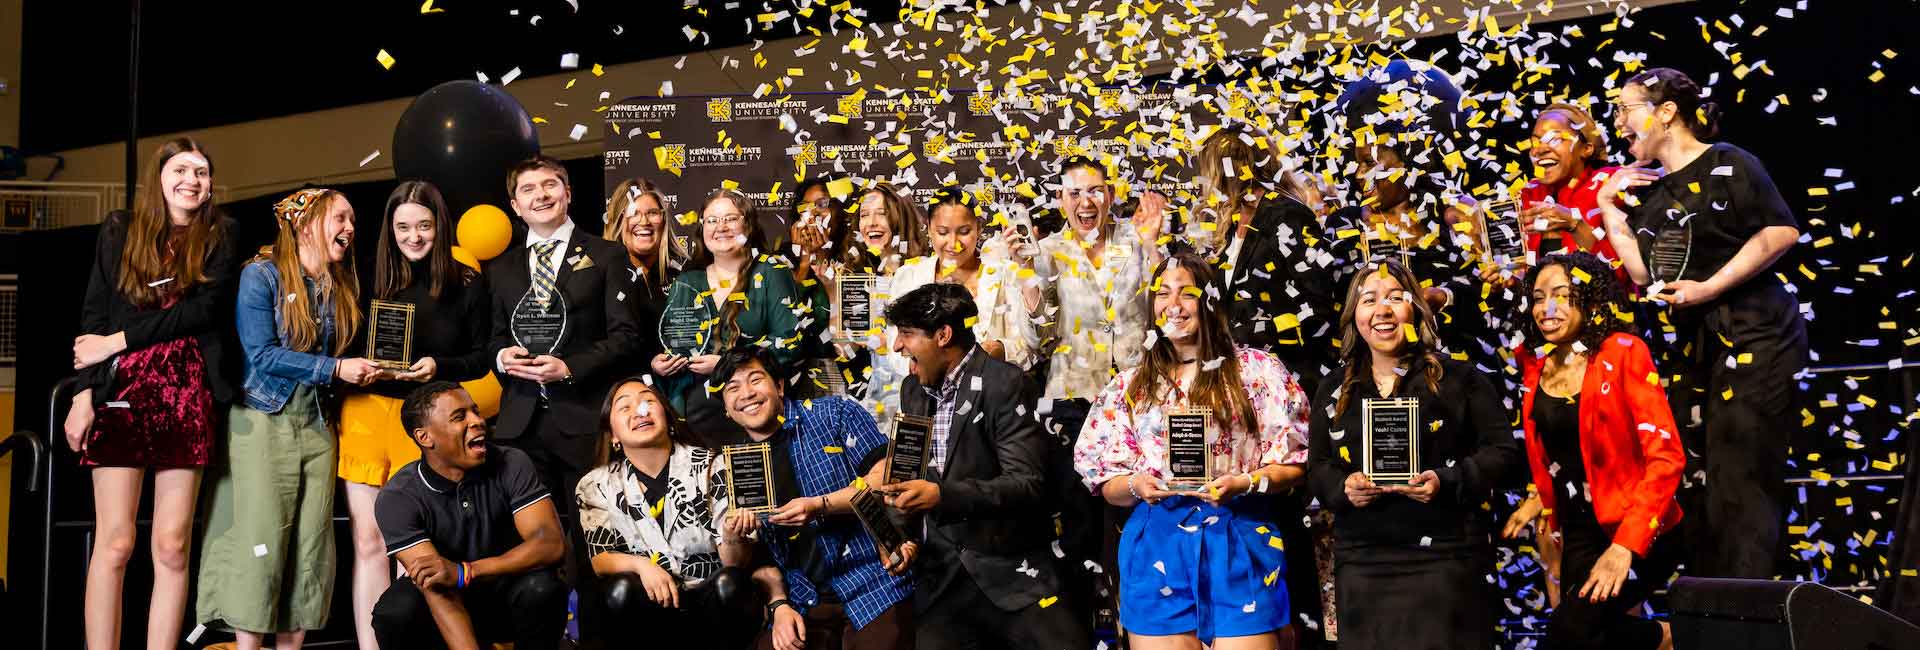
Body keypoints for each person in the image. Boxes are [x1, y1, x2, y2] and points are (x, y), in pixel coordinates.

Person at [1596, 67, 1807, 579]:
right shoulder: (1648, 191)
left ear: (1666, 112)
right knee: (1700, 474)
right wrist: (1607, 208)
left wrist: (1710, 288)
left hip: (1754, 334)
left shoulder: (1729, 163)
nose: (1619, 121)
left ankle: (1749, 604)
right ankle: (1715, 599)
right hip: (1694, 346)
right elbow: (1647, 274)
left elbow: (1780, 232)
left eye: (1627, 109)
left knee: (1741, 469)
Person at [1074, 254, 1312, 649]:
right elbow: (1105, 482)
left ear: (1210, 301)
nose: (1174, 305)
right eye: (1163, 294)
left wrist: (1245, 482)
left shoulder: (1256, 371)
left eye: (1187, 293)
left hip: (1240, 539)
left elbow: (1294, 464)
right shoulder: (1131, 385)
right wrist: (1136, 485)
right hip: (1157, 545)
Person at [66, 136, 238, 650]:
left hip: (188, 393)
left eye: (202, 172)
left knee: (171, 546)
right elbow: (94, 318)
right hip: (122, 392)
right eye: (181, 169)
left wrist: (115, 341)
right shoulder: (120, 230)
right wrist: (82, 395)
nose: (192, 180)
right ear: (158, 177)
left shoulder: (221, 234)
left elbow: (201, 313)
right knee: (116, 543)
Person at [1305, 260, 1524, 650]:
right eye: (1369, 299)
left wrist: (1447, 479)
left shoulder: (1461, 378)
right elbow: (1318, 466)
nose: (1382, 310)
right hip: (1363, 561)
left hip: (1445, 556)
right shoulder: (1334, 387)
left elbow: (1505, 454)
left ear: (1416, 310)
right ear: (1354, 315)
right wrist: (1343, 487)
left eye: (1395, 298)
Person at [197, 188, 375, 650]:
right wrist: (335, 368)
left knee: (309, 547)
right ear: (305, 223)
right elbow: (262, 353)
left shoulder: (340, 284)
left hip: (317, 426)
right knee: (263, 542)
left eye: (352, 219)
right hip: (263, 420)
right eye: (340, 218)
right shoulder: (261, 276)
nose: (349, 228)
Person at [878, 282, 1085, 650]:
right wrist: (901, 539)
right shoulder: (912, 390)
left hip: (1013, 577)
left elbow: (1027, 483)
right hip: (941, 584)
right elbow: (905, 472)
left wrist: (942, 496)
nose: (897, 346)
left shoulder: (1006, 384)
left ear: (943, 335)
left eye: (907, 334)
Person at [337, 180, 496, 649]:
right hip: (366, 414)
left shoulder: (466, 283)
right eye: (403, 226)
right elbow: (340, 346)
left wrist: (438, 367)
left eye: (424, 225)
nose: (414, 236)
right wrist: (357, 367)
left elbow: (481, 357)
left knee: (417, 545)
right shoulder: (364, 279)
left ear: (439, 226)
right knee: (368, 541)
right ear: (389, 228)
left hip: (427, 422)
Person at [1502, 253, 1685, 650]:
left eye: (1562, 295)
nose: (1546, 308)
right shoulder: (1535, 365)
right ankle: (1664, 639)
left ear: (1590, 299)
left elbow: (1667, 456)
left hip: (1640, 529)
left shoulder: (1623, 351)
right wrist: (1539, 500)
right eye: (1537, 297)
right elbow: (1556, 449)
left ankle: (1668, 637)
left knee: (1570, 632)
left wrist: (1624, 547)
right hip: (1579, 530)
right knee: (1588, 638)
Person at [486, 155, 646, 594]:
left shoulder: (607, 255)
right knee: (528, 547)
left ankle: (593, 635)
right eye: (528, 189)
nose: (540, 195)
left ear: (568, 193)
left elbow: (627, 337)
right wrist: (503, 359)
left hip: (584, 417)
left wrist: (569, 367)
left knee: (594, 538)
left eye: (550, 185)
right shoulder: (501, 269)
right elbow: (492, 340)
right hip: (520, 426)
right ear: (515, 205)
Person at [1024, 156, 1167, 627]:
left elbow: (1163, 314)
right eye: (1074, 193)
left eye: (1095, 190)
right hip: (1071, 401)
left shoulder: (1137, 240)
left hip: (1138, 398)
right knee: (1080, 526)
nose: (1086, 201)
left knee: (1142, 517)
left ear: (1109, 194)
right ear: (1061, 200)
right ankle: (1082, 629)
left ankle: (1143, 626)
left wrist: (1152, 249)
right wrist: (1030, 291)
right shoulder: (1045, 252)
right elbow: (1039, 340)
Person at [713, 345, 916, 650]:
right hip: (801, 600)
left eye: (755, 380)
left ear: (779, 385)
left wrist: (820, 506)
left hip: (872, 582)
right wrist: (733, 537)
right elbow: (744, 562)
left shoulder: (835, 413)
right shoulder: (733, 466)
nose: (746, 394)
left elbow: (885, 480)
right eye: (733, 388)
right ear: (727, 409)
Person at [371, 382, 569, 650]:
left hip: (506, 593)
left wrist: (467, 571)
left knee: (543, 588)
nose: (478, 421)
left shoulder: (512, 462)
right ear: (425, 437)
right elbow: (437, 589)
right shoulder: (398, 496)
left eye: (475, 411)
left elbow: (550, 545)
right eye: (459, 417)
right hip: (446, 607)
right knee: (394, 612)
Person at [575, 376, 758, 648]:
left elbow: (735, 563)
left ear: (669, 418)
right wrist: (642, 566)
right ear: (613, 434)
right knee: (619, 589)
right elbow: (601, 558)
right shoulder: (595, 485)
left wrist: (732, 535)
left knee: (730, 583)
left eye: (649, 402)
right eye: (625, 407)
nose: (640, 412)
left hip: (708, 600)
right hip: (649, 605)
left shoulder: (714, 466)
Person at [1186, 126, 1344, 393]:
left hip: (1286, 379)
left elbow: (1318, 302)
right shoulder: (1232, 225)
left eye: (1211, 170)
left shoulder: (1287, 215)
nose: (1209, 183)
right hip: (1243, 378)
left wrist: (1259, 336)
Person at [656, 188, 824, 435]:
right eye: (712, 220)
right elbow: (678, 344)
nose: (721, 226)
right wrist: (663, 364)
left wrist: (726, 363)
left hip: (756, 410)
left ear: (749, 226)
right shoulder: (687, 282)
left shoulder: (771, 271)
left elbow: (790, 344)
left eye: (731, 218)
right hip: (697, 415)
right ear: (702, 229)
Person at [864, 187, 1040, 418]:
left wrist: (1001, 350)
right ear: (928, 228)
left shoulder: (1004, 272)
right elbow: (895, 349)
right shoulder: (909, 276)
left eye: (964, 231)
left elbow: (1032, 344)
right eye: (943, 232)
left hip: (992, 407)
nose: (953, 243)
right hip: (926, 408)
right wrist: (924, 364)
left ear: (978, 227)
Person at [1519, 103, 1621, 262]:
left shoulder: (1611, 185)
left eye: (1555, 139)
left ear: (1586, 149)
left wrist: (1575, 225)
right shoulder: (1528, 195)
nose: (1539, 150)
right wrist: (1509, 280)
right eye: (1534, 142)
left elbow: (1623, 270)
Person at [602, 177, 682, 315]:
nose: (644, 222)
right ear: (617, 220)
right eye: (633, 214)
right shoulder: (600, 278)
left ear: (664, 220)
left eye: (652, 213)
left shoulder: (684, 275)